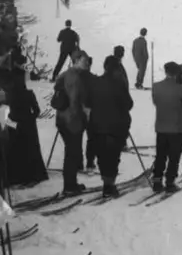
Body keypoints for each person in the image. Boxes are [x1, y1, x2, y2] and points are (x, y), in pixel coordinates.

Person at [86, 56, 134, 196]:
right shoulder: (119, 84)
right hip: (116, 125)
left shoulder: (95, 82)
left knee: (102, 154)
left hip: (97, 124)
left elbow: (88, 102)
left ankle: (106, 182)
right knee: (113, 155)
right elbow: (128, 104)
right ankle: (109, 184)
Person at [150, 62, 182, 194]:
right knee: (174, 156)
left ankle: (157, 180)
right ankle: (169, 182)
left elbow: (156, 102)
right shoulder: (180, 89)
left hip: (161, 126)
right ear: (177, 73)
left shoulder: (156, 86)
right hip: (177, 127)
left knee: (160, 155)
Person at [52, 51, 91, 197]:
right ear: (76, 60)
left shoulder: (65, 74)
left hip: (62, 117)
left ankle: (71, 183)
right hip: (71, 120)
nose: (86, 63)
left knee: (71, 152)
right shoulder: (75, 78)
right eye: (84, 60)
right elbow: (74, 101)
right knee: (72, 153)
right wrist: (82, 115)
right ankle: (69, 185)